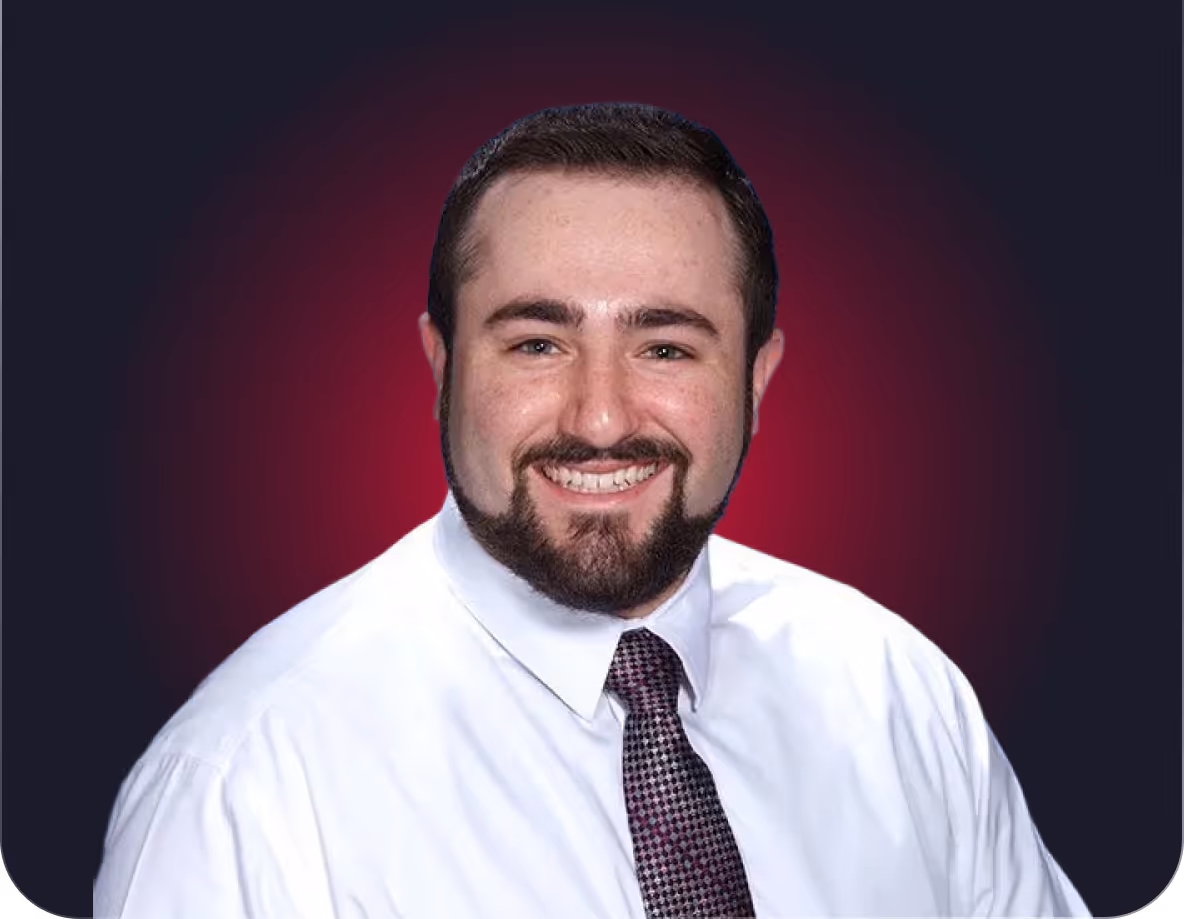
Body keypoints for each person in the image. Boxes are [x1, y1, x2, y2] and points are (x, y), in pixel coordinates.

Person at [93, 103, 1089, 918]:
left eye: (665, 346)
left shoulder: (899, 695)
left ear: (757, 379)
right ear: (441, 368)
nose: (600, 415)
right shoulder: (246, 782)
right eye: (536, 343)